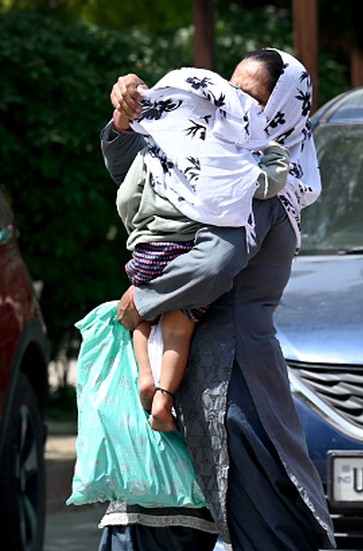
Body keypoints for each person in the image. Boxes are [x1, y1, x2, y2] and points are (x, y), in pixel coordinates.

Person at [98, 48, 336, 551]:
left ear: (283, 111)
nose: (234, 104)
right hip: (188, 364)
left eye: (252, 96)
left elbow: (217, 264)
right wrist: (125, 120)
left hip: (230, 379)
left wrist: (145, 299)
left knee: (264, 518)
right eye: (232, 88)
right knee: (156, 511)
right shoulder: (218, 153)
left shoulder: (268, 177)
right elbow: (141, 175)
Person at [117, 66, 291, 432]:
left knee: (143, 323)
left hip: (146, 247)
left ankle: (145, 378)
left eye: (256, 99)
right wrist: (274, 155)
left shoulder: (167, 146)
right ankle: (163, 394)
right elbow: (263, 186)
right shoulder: (231, 157)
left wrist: (139, 233)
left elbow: (126, 195)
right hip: (185, 250)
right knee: (178, 327)